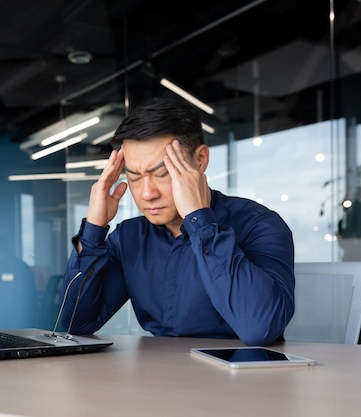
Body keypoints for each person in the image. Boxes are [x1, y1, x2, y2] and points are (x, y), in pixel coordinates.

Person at [59, 97, 295, 346]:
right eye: (135, 177)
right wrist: (94, 230)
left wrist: (200, 221)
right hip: (158, 376)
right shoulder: (130, 237)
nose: (147, 193)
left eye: (162, 173)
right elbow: (78, 322)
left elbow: (260, 329)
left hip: (245, 378)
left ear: (201, 160)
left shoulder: (259, 224)